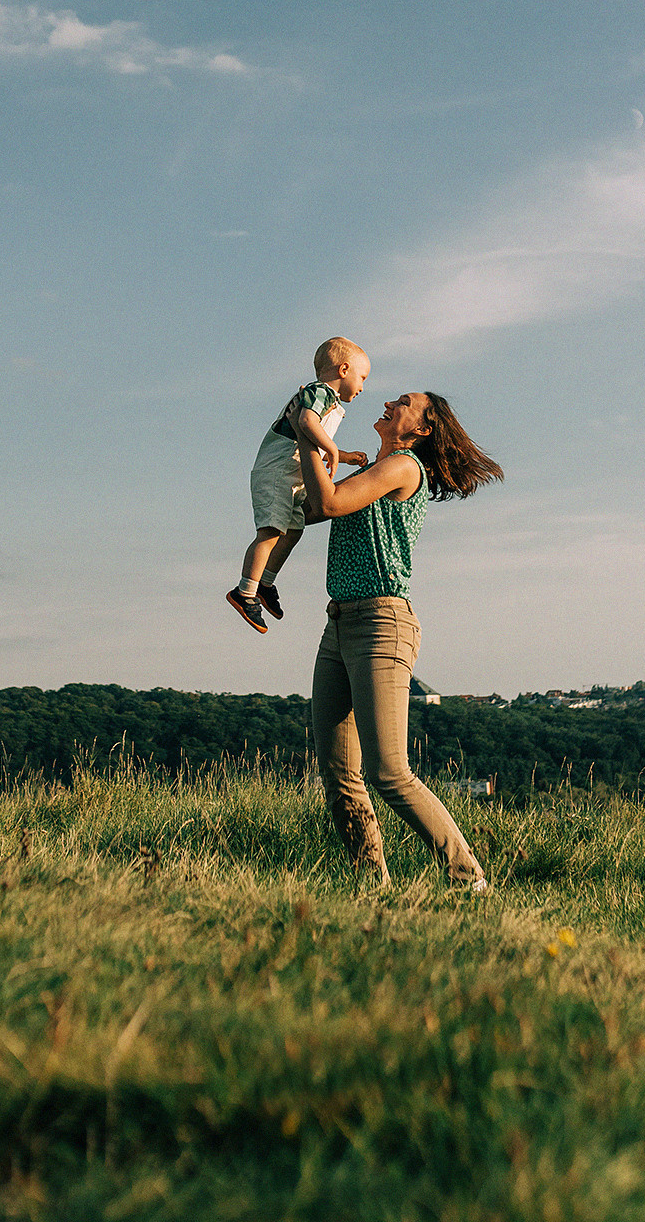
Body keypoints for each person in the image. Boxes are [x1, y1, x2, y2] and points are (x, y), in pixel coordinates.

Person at [296, 391, 503, 887]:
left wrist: (306, 432)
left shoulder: (405, 467)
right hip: (339, 623)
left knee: (389, 772)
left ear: (422, 428)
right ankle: (372, 887)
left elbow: (325, 503)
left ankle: (467, 875)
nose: (389, 401)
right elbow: (308, 509)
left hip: (381, 624)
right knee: (339, 777)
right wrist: (316, 453)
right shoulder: (372, 473)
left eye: (404, 402)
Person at [227, 337, 371, 634]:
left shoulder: (328, 401)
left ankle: (264, 583)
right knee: (270, 531)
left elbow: (310, 439)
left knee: (293, 531)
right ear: (344, 369)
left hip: (294, 475)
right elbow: (306, 423)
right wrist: (333, 451)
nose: (362, 387)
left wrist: (341, 456)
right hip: (279, 472)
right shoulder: (320, 393)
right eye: (362, 378)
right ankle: (245, 591)